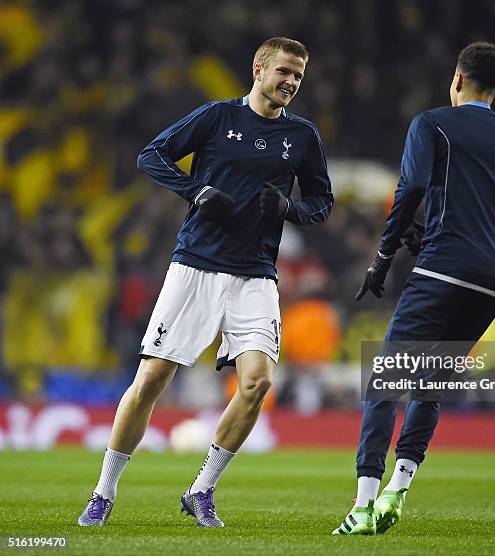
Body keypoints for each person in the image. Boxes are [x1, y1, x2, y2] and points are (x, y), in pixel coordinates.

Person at [77, 36, 333, 528]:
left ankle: (201, 489)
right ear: (258, 69)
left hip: (256, 274)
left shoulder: (302, 136)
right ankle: (104, 491)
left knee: (256, 383)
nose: (291, 82)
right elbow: (151, 156)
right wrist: (196, 192)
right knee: (151, 379)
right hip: (196, 264)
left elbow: (322, 203)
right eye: (283, 71)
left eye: (298, 76)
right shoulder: (216, 117)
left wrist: (289, 208)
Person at [333, 42, 495, 535]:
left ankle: (362, 504)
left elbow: (410, 191)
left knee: (388, 380)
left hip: (443, 270)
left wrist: (382, 259)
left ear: (458, 80)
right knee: (431, 383)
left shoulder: (432, 123)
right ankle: (397, 491)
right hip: (494, 282)